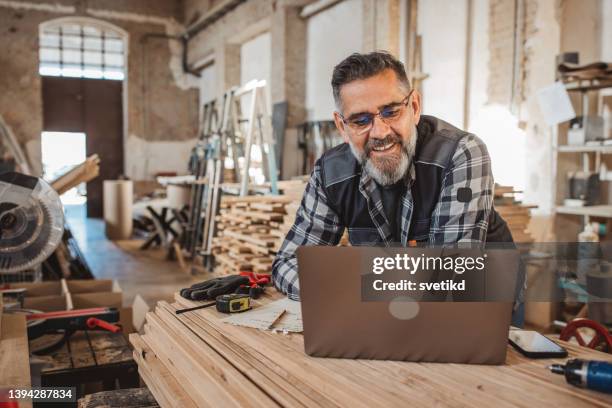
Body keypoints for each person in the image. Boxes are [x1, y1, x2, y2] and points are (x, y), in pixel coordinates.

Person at [272, 51, 513, 301]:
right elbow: (289, 263)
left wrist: (358, 284)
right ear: (342, 127)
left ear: (415, 107)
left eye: (391, 112)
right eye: (360, 120)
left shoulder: (459, 154)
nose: (380, 132)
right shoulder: (330, 173)